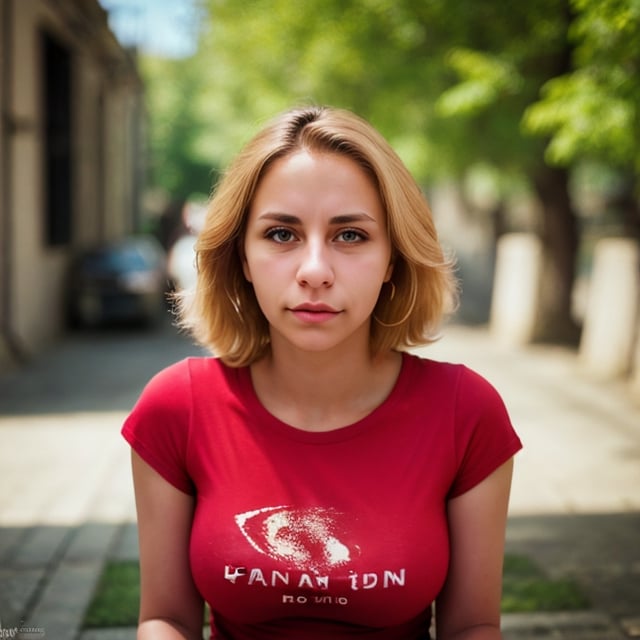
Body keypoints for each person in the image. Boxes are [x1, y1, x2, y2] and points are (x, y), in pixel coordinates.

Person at [122, 105, 522, 639]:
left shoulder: (465, 412)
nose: (315, 271)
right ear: (241, 255)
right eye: (282, 234)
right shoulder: (177, 406)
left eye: (351, 235)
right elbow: (165, 619)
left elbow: (472, 626)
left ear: (393, 261)